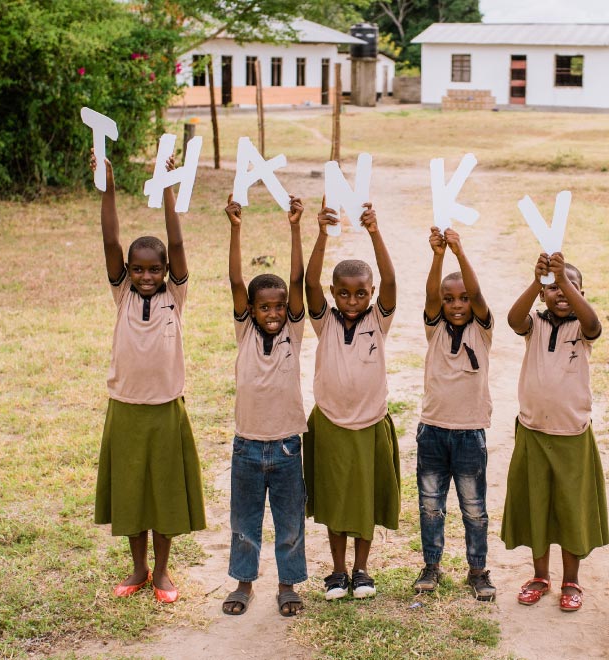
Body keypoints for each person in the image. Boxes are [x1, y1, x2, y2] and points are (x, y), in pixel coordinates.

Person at [91, 151, 206, 605]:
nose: (144, 275)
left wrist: (169, 189)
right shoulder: (122, 293)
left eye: (152, 269)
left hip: (165, 411)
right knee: (132, 494)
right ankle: (137, 567)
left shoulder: (174, 295)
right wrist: (108, 187)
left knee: (164, 494)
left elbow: (176, 246)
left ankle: (162, 572)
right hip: (125, 410)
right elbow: (109, 240)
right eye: (137, 269)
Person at [303, 200, 400, 600]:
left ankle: (362, 570)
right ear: (333, 293)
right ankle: (338, 571)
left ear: (371, 293)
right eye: (343, 294)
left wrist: (375, 232)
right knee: (334, 497)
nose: (352, 301)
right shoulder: (324, 321)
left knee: (363, 499)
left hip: (369, 424)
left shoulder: (378, 320)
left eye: (361, 294)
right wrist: (323, 234)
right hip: (329, 422)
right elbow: (308, 285)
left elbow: (392, 282)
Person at [501, 251, 608, 613]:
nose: (561, 293)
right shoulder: (534, 323)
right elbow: (513, 319)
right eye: (553, 288)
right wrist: (538, 280)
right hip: (533, 430)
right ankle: (540, 576)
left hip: (571, 434)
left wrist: (562, 279)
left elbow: (594, 323)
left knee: (570, 510)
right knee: (538, 507)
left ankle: (571, 580)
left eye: (570, 287)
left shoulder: (583, 328)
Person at [221, 194, 308, 617]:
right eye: (264, 307)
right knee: (245, 523)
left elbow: (296, 281)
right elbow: (237, 282)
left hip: (288, 446)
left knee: (290, 524)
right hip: (247, 446)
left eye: (278, 307)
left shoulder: (293, 331)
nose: (273, 313)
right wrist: (236, 229)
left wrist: (295, 227)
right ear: (251, 311)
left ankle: (288, 585)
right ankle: (243, 584)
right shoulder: (246, 333)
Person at [412, 226, 496, 602]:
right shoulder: (434, 328)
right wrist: (438, 255)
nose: (458, 304)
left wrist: (460, 252)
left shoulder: (482, 329)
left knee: (473, 508)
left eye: (463, 299)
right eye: (450, 299)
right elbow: (431, 294)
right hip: (432, 430)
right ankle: (432, 565)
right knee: (431, 505)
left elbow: (477, 294)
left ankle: (477, 570)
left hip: (469, 433)